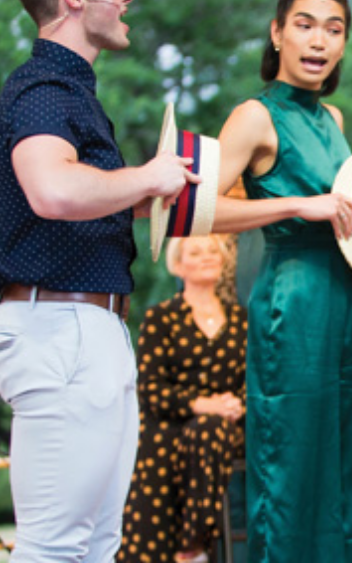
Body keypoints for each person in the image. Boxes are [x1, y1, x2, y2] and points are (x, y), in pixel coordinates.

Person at [0, 0, 197, 560]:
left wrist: (153, 195)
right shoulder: (47, 87)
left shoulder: (70, 91)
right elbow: (53, 189)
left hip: (86, 329)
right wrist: (147, 176)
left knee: (94, 545)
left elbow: (77, 199)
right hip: (62, 330)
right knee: (55, 548)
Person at [209, 0, 352, 562]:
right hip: (293, 300)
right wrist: (292, 205)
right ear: (277, 33)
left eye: (334, 29)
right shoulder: (255, 115)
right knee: (292, 461)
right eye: (305, 24)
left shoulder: (332, 116)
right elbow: (200, 210)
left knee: (351, 458)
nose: (320, 40)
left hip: (345, 295)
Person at [117, 235, 247, 563]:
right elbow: (150, 389)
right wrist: (203, 404)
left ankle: (193, 548)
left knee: (208, 431)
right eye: (196, 252)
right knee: (160, 442)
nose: (207, 257)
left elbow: (255, 381)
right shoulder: (161, 318)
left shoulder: (242, 320)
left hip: (225, 428)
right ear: (178, 264)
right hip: (170, 423)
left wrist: (234, 405)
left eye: (213, 252)